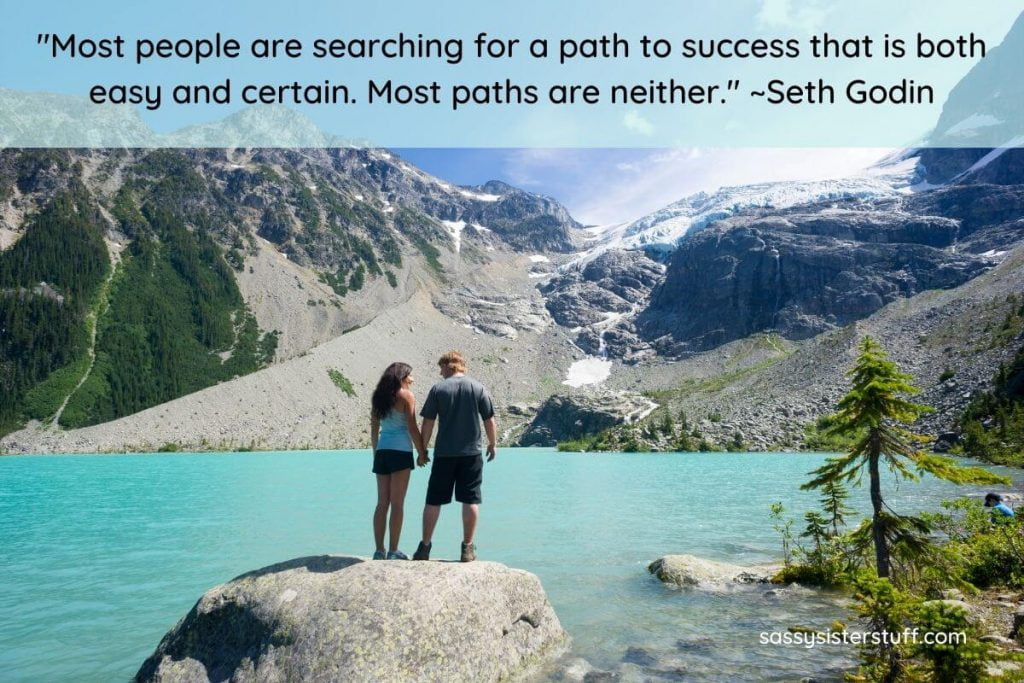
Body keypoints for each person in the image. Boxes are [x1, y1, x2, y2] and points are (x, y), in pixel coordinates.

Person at [412, 351, 497, 563]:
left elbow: (428, 422)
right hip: (471, 454)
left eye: (441, 368)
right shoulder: (478, 387)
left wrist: (422, 450)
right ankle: (467, 549)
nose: (440, 373)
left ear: (449, 366)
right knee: (470, 500)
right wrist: (492, 443)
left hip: (444, 454)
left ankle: (424, 548)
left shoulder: (438, 389)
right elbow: (489, 419)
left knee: (433, 501)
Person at [369, 362, 427, 560]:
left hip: (383, 452)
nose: (412, 379)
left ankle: (379, 550)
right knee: (397, 504)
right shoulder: (406, 395)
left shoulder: (378, 397)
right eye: (409, 376)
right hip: (401, 451)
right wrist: (422, 452)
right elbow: (412, 427)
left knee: (381, 504)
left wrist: (375, 454)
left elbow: (374, 429)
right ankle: (394, 550)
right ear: (401, 378)